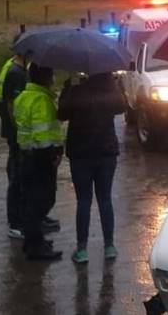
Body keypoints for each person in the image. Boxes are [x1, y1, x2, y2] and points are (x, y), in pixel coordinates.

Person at [58, 72, 126, 264]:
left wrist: (66, 89)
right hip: (106, 153)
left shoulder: (76, 92)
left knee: (84, 201)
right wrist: (116, 86)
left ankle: (82, 249)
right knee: (105, 199)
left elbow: (61, 114)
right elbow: (122, 107)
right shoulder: (109, 91)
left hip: (80, 154)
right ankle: (109, 246)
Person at [14, 64, 64, 261]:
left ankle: (33, 241)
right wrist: (52, 156)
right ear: (44, 77)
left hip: (25, 155)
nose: (53, 77)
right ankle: (36, 246)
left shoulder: (24, 97)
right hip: (40, 159)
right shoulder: (41, 100)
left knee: (31, 201)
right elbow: (42, 134)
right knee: (42, 201)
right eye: (51, 73)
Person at [0, 42, 29, 239]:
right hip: (16, 133)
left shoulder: (16, 68)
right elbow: (11, 105)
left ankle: (21, 217)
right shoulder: (16, 73)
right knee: (16, 177)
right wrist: (19, 129)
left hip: (15, 131)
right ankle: (15, 222)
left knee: (19, 175)